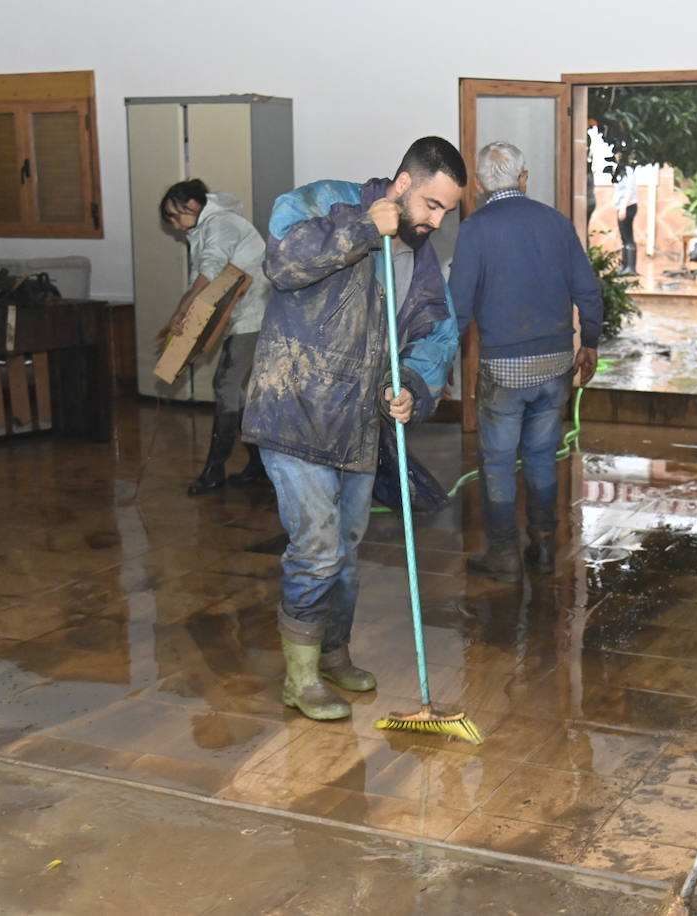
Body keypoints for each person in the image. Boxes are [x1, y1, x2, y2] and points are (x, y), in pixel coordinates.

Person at [242, 137, 464, 721]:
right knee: (315, 549)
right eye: (432, 206)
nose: (436, 221)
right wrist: (365, 228)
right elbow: (283, 264)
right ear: (403, 183)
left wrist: (412, 387)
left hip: (360, 422)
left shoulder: (419, 256)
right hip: (295, 409)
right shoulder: (318, 203)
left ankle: (333, 652)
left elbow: (437, 333)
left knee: (345, 549)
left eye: (446, 212)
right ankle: (301, 678)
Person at [449, 141, 602, 582]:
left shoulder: (475, 230)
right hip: (555, 365)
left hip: (503, 369)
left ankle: (503, 553)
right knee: (541, 454)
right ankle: (544, 545)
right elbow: (587, 291)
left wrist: (440, 365)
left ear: (477, 185)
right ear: (524, 178)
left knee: (497, 460)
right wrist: (588, 342)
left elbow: (458, 309)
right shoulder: (557, 223)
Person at [158, 180, 270, 495]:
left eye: (175, 216)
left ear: (192, 207)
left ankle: (215, 470)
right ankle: (259, 463)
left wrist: (182, 312)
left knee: (226, 385)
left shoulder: (221, 224)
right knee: (233, 391)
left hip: (254, 314)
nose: (175, 225)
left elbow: (209, 272)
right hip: (239, 314)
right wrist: (184, 310)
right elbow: (201, 277)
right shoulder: (205, 227)